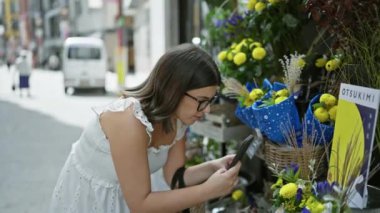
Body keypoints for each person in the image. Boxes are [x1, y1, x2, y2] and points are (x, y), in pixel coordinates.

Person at [49, 43, 241, 212]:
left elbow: (174, 177)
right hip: (90, 199)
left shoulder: (178, 118)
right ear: (173, 90)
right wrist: (209, 190)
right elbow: (141, 205)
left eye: (210, 101)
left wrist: (212, 167)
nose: (206, 110)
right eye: (201, 101)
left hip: (129, 198)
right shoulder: (127, 120)